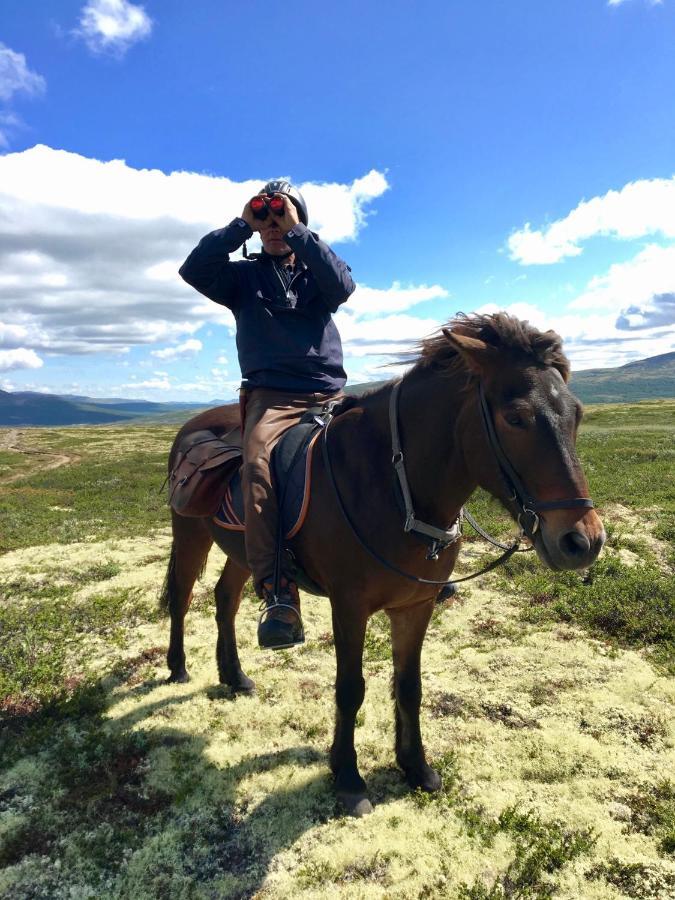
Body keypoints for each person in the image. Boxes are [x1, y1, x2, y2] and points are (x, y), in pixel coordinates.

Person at [179, 180, 355, 649]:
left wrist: (298, 233)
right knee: (258, 463)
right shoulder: (242, 278)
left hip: (329, 393)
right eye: (266, 218)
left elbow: (343, 286)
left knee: (394, 436)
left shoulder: (318, 272)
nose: (273, 224)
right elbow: (194, 269)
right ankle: (279, 592)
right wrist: (240, 226)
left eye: (282, 216)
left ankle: (423, 554)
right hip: (271, 397)